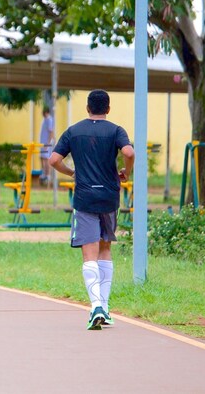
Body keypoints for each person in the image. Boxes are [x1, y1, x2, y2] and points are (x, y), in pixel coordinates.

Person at [48, 90, 134, 330]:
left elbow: (53, 160)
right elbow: (129, 152)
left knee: (89, 255)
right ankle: (104, 307)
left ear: (87, 108)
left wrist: (72, 172)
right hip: (109, 196)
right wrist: (127, 172)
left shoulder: (74, 131)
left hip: (85, 197)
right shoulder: (116, 130)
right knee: (105, 249)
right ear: (108, 108)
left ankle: (96, 305)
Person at [39, 106, 55, 185]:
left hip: (47, 143)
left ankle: (48, 175)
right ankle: (44, 173)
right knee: (42, 158)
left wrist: (47, 144)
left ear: (46, 112)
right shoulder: (44, 120)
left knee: (46, 159)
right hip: (42, 142)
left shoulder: (49, 120)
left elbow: (51, 132)